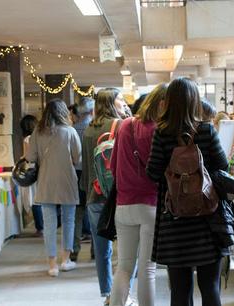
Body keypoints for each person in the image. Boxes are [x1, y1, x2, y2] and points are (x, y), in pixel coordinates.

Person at [146, 78, 232, 306]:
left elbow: (152, 173)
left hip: (174, 222)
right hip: (207, 219)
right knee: (210, 287)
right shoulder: (206, 130)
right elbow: (224, 167)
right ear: (195, 100)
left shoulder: (161, 134)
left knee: (180, 291)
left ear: (170, 102)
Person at [109, 83, 167, 306]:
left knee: (124, 267)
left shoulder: (124, 126)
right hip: (151, 205)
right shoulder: (159, 131)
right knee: (147, 269)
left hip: (123, 205)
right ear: (162, 105)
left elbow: (113, 167)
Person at [26, 99, 81, 276]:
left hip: (46, 180)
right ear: (64, 112)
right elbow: (77, 158)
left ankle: (52, 265)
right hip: (67, 180)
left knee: (49, 224)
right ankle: (66, 260)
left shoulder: (37, 132)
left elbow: (31, 157)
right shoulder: (70, 131)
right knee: (68, 220)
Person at [80, 88, 123, 305]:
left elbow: (86, 167)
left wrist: (89, 192)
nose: (123, 103)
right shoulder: (121, 126)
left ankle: (107, 294)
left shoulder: (89, 129)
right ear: (111, 103)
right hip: (119, 196)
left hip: (94, 196)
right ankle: (123, 293)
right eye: (120, 100)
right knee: (126, 249)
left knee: (101, 248)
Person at [71, 97, 95, 262]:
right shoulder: (94, 130)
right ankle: (96, 249)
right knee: (94, 213)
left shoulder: (71, 130)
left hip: (75, 175)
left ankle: (74, 250)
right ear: (93, 112)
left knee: (76, 215)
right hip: (93, 176)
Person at [20, 114, 43, 236]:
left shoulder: (27, 139)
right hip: (43, 169)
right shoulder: (40, 136)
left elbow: (27, 157)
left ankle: (40, 228)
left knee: (34, 199)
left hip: (32, 171)